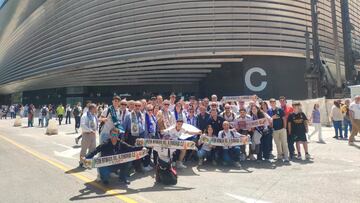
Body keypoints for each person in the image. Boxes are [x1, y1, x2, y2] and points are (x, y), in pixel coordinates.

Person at [123, 100, 146, 172]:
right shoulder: (128, 115)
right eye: (136, 105)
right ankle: (129, 168)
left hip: (140, 135)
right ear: (133, 106)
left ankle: (137, 167)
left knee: (139, 152)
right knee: (131, 152)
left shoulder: (142, 115)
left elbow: (143, 126)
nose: (137, 107)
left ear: (141, 106)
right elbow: (124, 127)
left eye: (139, 106)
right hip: (131, 136)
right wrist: (122, 137)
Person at [143, 104, 159, 172]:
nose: (150, 111)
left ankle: (148, 164)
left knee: (150, 151)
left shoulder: (153, 116)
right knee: (147, 151)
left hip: (153, 136)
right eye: (148, 110)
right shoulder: (144, 117)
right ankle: (145, 165)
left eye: (151, 110)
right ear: (146, 110)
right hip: (147, 137)